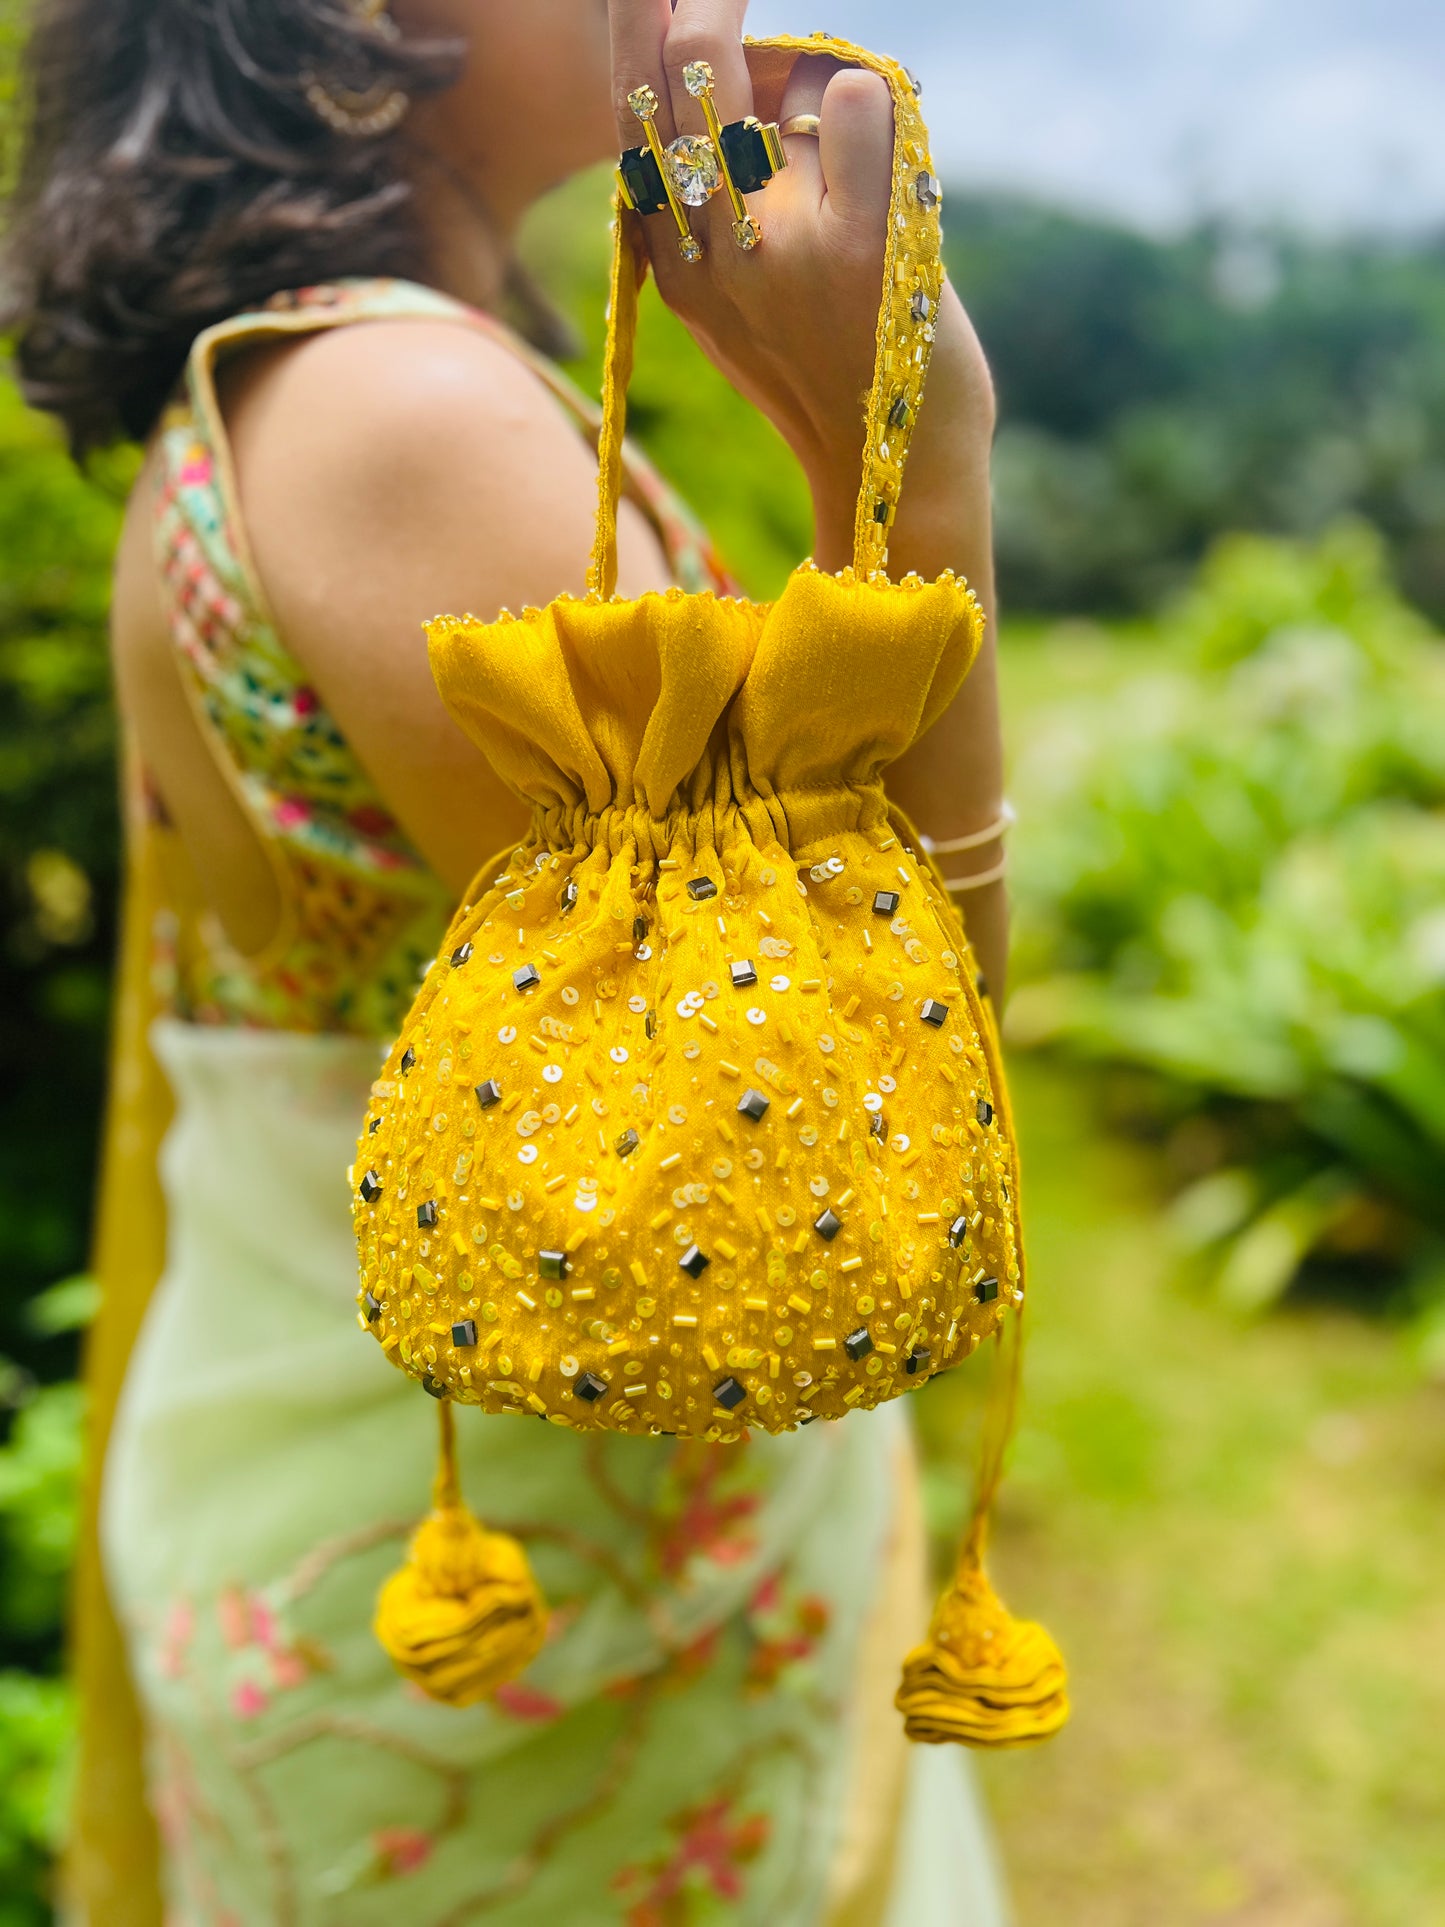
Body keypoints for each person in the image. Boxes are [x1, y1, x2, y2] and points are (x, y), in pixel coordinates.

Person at [6, 0, 1011, 1920]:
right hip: (538, 1634)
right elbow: (867, 1108)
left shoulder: (336, 383)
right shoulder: (409, 417)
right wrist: (917, 459)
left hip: (417, 1546)